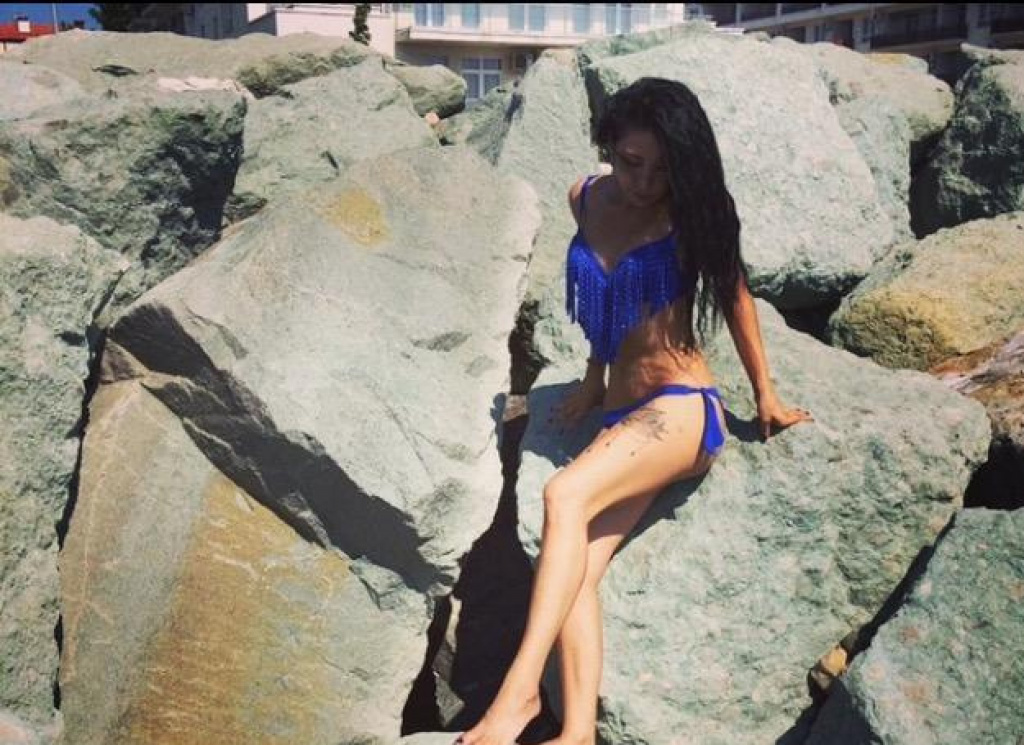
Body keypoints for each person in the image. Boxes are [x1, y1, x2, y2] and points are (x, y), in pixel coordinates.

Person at [456, 77, 812, 745]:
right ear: (609, 147)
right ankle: (578, 734)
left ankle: (518, 694)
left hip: (681, 411)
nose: (645, 182)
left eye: (662, 168)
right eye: (631, 162)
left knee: (562, 495)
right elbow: (606, 301)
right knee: (576, 570)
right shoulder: (585, 198)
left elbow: (735, 296)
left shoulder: (694, 215)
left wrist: (765, 393)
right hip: (623, 417)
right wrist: (594, 378)